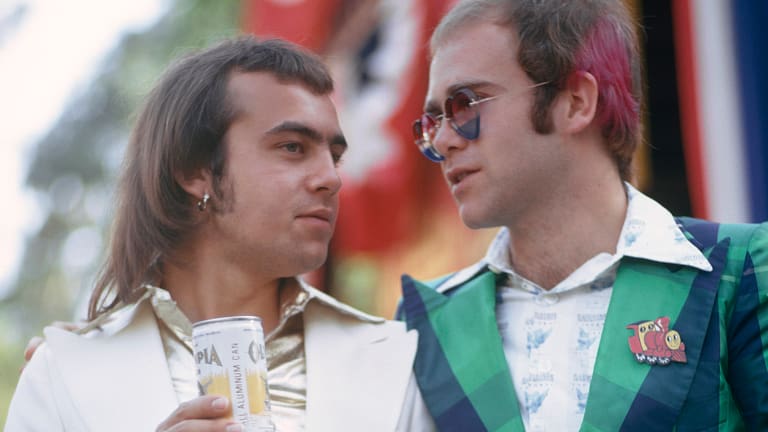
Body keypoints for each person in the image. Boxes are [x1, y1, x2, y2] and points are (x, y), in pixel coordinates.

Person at [6, 36, 433, 432]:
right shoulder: (62, 375)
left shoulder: (397, 360)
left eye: (334, 156)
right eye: (292, 147)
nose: (330, 178)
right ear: (195, 171)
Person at [400, 0, 768, 431]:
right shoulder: (424, 319)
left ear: (575, 102)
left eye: (465, 104)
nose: (443, 140)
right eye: (432, 121)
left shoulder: (742, 268)